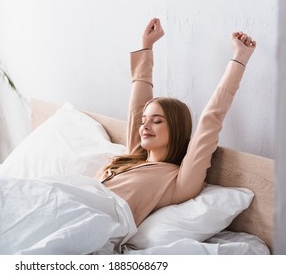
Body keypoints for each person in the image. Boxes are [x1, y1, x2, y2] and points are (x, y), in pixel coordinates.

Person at [100, 18, 256, 227]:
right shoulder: (136, 157)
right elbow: (137, 107)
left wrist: (240, 58)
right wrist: (147, 47)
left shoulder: (178, 181)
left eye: (157, 121)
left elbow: (212, 119)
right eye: (144, 121)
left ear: (175, 130)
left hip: (97, 221)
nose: (144, 126)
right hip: (74, 199)